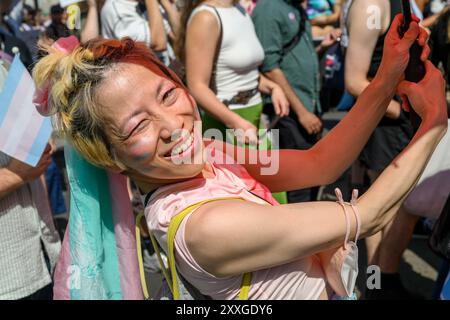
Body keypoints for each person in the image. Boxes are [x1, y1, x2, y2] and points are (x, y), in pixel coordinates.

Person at [32, 13, 445, 300]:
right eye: (138, 126)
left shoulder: (213, 153)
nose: (173, 126)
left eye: (168, 94)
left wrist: (389, 73)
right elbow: (367, 215)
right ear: (110, 157)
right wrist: (435, 121)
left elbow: (319, 162)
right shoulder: (204, 227)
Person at [252, 0, 340, 203]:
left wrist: (321, 49)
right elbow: (269, 68)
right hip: (286, 113)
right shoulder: (269, 9)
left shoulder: (297, 9)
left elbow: (292, 59)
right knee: (296, 185)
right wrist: (302, 113)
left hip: (307, 107)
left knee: (309, 179)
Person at [101, 0, 167, 53]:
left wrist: (166, 3)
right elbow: (159, 44)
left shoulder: (141, 2)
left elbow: (175, 37)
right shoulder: (115, 9)